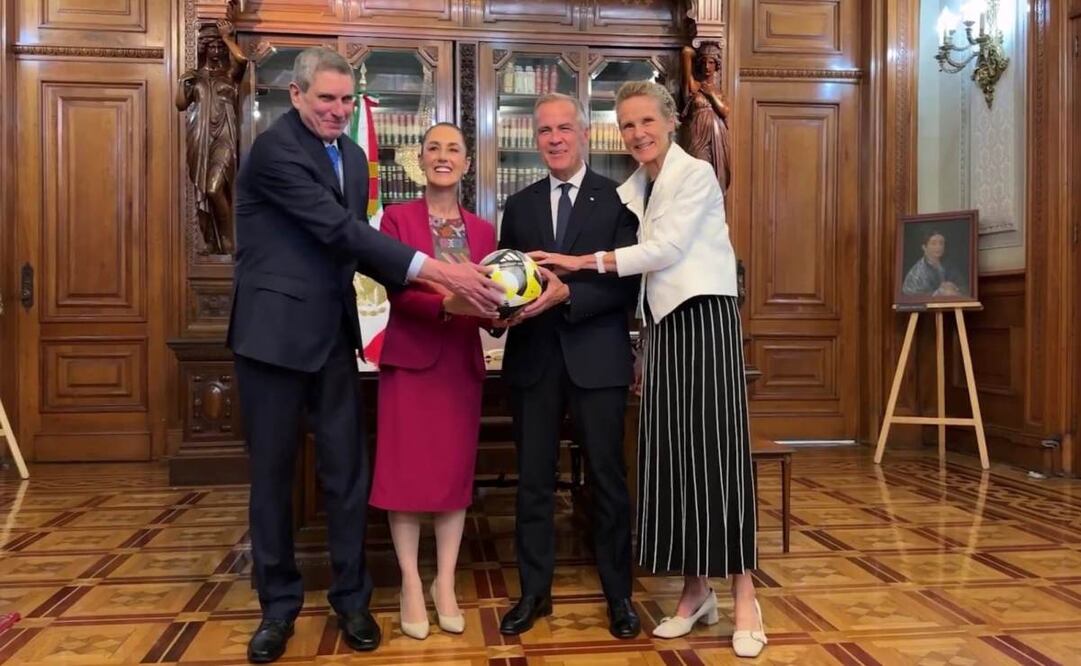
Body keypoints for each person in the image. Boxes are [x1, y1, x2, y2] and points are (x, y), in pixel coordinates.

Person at [227, 47, 502, 664]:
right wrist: (433, 269)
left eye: (346, 100)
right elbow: (337, 229)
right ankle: (278, 608)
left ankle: (352, 600)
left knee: (346, 473)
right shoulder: (275, 151)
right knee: (273, 478)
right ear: (296, 96)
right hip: (271, 338)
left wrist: (438, 287)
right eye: (325, 98)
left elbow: (359, 253)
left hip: (330, 337)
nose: (337, 110)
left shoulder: (353, 157)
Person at [531, 81, 767, 658]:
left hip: (706, 323)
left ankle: (744, 596)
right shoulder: (637, 185)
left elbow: (662, 251)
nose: (637, 133)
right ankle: (694, 592)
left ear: (670, 123)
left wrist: (579, 260)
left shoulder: (696, 176)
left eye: (645, 122)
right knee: (672, 460)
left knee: (718, 455)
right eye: (626, 125)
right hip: (661, 331)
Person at [495, 92, 642, 640]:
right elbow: (505, 281)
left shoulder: (617, 200)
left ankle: (619, 596)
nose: (554, 139)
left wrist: (568, 298)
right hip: (533, 361)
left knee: (607, 480)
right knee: (533, 482)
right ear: (535, 140)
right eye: (544, 132)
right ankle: (534, 594)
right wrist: (498, 314)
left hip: (597, 360)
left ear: (583, 135)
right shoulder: (521, 204)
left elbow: (627, 282)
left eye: (563, 129)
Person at [368, 122, 496, 640]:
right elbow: (396, 288)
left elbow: (492, 296)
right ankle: (409, 584)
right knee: (404, 481)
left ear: (466, 163)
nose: (444, 157)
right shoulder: (395, 220)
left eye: (454, 150)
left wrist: (503, 310)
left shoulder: (485, 231)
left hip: (460, 367)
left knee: (450, 483)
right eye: (434, 149)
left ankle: (444, 583)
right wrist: (448, 302)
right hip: (410, 363)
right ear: (419, 160)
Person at [175, 19, 247, 255]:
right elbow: (180, 104)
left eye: (220, 47)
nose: (216, 51)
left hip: (225, 135)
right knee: (204, 190)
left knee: (215, 188)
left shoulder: (229, 74)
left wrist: (227, 37)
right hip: (200, 136)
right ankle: (210, 241)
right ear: (204, 49)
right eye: (212, 46)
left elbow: (242, 60)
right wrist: (181, 83)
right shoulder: (195, 77)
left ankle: (227, 240)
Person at [680, 42, 731, 191]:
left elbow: (725, 111)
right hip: (698, 136)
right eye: (704, 62)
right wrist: (691, 53)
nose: (707, 67)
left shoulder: (719, 92)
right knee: (698, 174)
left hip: (717, 137)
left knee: (716, 178)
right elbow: (686, 54)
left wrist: (711, 95)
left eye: (711, 62)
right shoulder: (695, 86)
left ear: (716, 66)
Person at [901, 229, 968, 297]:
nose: (938, 247)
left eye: (941, 243)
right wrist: (940, 292)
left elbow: (964, 288)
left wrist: (954, 287)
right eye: (933, 243)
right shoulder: (918, 272)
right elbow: (914, 296)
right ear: (924, 247)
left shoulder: (948, 265)